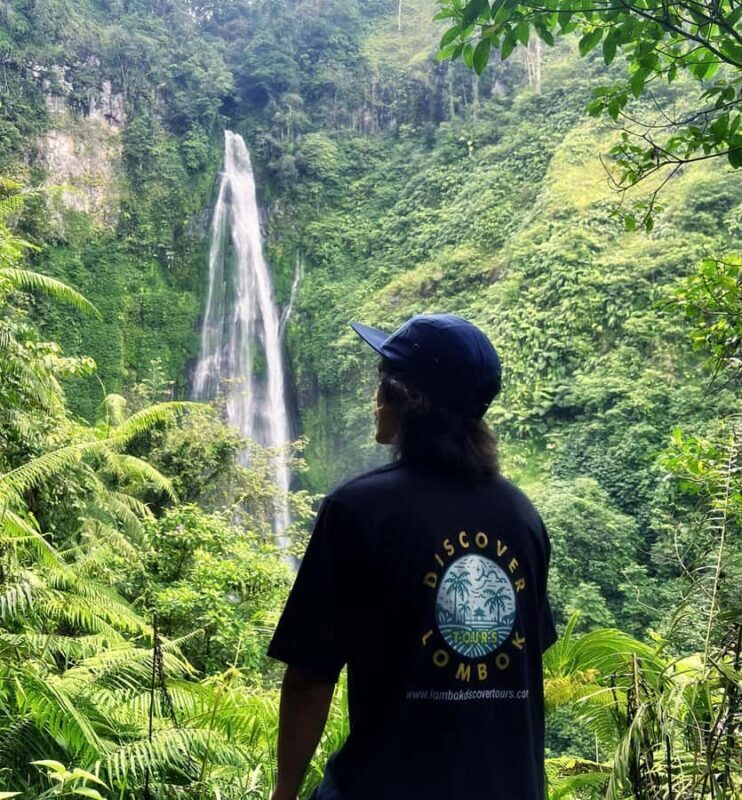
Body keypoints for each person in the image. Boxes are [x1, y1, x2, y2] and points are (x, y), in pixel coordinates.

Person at [267, 313, 557, 800]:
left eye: (382, 382)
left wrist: (283, 794)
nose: (374, 397)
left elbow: (309, 678)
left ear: (405, 400)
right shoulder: (521, 516)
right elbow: (525, 657)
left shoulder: (358, 510)